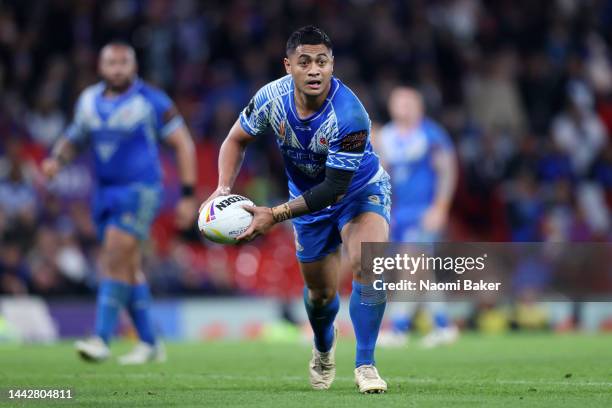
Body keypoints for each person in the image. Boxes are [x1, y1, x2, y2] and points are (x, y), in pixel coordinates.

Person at [204, 26, 391, 393]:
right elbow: (235, 139)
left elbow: (335, 188)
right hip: (307, 200)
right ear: (288, 66)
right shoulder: (270, 99)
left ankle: (366, 364)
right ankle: (324, 348)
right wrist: (222, 189)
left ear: (332, 65)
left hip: (358, 191)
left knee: (369, 263)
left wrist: (274, 215)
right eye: (305, 62)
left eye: (322, 62)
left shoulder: (351, 115)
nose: (314, 70)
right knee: (320, 297)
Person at [42, 42, 197, 364]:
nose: (117, 68)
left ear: (134, 66)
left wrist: (186, 194)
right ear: (100, 67)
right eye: (111, 62)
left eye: (123, 62)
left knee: (113, 258)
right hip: (103, 192)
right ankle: (150, 343)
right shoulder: (87, 101)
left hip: (140, 190)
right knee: (127, 267)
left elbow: (183, 144)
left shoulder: (152, 100)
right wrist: (57, 160)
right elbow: (74, 136)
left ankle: (100, 338)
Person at [377, 87, 459, 348]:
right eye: (398, 102)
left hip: (424, 212)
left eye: (408, 102)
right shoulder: (387, 136)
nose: (403, 107)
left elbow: (447, 171)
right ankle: (444, 325)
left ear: (419, 106)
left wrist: (440, 207)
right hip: (398, 214)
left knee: (411, 265)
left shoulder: (431, 134)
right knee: (421, 272)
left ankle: (398, 327)